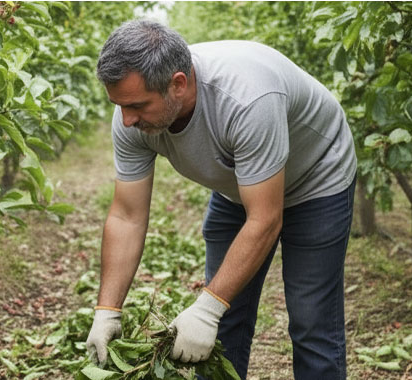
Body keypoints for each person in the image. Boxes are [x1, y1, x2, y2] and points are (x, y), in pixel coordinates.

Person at [84, 19, 357, 380]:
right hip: (241, 187)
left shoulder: (246, 99)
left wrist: (208, 307)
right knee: (223, 322)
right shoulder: (131, 119)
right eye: (119, 105)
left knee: (311, 323)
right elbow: (126, 217)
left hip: (316, 179)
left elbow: (265, 219)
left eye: (137, 105)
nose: (127, 119)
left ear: (177, 84)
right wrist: (107, 309)